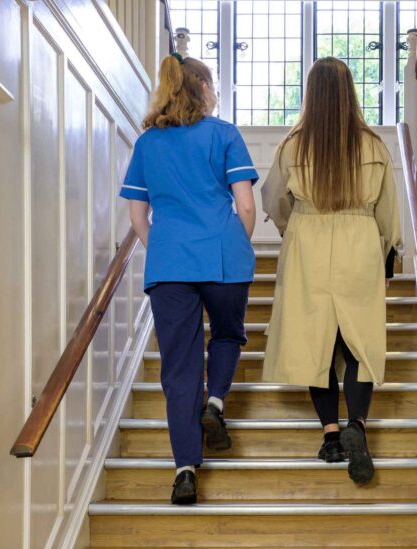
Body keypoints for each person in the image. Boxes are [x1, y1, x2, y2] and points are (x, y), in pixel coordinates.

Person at [119, 53, 258, 505]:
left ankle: (184, 470)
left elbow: (138, 215)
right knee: (228, 334)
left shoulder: (148, 144)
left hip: (169, 261)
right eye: (213, 84)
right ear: (201, 87)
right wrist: (236, 243)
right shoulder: (224, 134)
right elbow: (246, 207)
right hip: (222, 254)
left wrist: (160, 246)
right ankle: (215, 402)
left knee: (178, 368)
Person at [261, 57, 402, 486]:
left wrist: (295, 229)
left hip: (309, 239)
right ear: (350, 92)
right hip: (359, 239)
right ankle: (356, 423)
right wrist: (388, 255)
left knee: (314, 339)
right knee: (359, 341)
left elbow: (272, 200)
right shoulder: (374, 146)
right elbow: (388, 208)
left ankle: (330, 436)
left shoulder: (293, 145)